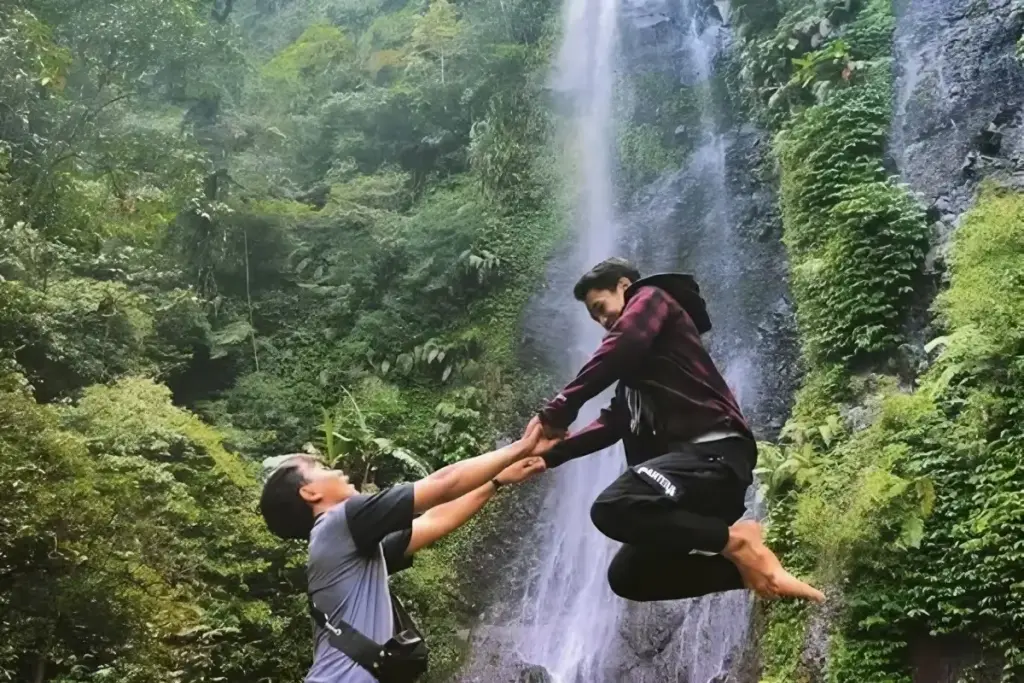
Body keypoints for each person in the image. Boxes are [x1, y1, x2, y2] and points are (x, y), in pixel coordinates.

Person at [531, 257, 824, 604]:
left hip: (715, 454)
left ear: (624, 287)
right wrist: (547, 456)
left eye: (601, 307)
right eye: (594, 317)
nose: (602, 321)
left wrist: (561, 407)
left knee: (613, 506)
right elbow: (613, 422)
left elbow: (624, 343)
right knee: (629, 576)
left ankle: (735, 540)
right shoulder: (639, 374)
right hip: (689, 488)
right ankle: (752, 572)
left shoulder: (652, 297)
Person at [260, 422, 556, 683]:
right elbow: (443, 484)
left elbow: (434, 521)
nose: (338, 470)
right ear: (310, 493)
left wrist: (497, 481)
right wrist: (522, 446)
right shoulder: (339, 522)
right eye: (324, 469)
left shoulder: (347, 552)